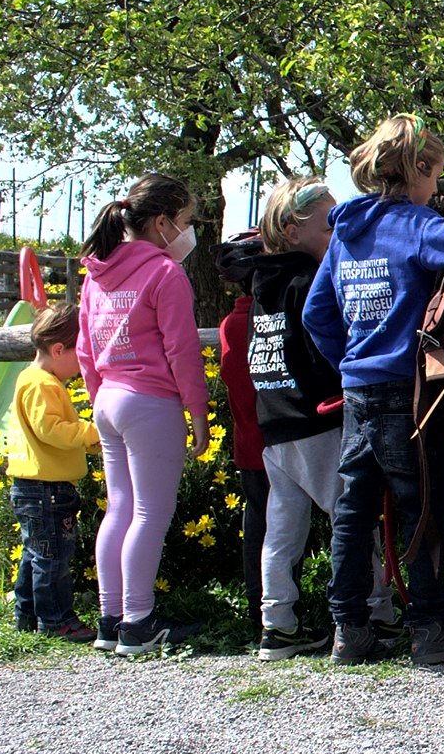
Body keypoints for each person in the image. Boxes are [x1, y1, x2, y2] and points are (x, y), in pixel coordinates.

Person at [301, 117, 444, 667]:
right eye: (436, 176)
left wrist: (351, 364)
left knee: (353, 511)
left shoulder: (346, 234)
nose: (437, 188)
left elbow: (316, 314)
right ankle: (429, 628)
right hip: (410, 393)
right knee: (421, 505)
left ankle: (348, 630)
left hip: (359, 391)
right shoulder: (419, 226)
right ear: (420, 169)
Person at [235, 178, 404, 661]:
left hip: (275, 424)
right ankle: (375, 612)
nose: (337, 229)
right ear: (292, 230)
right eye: (328, 222)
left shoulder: (261, 286)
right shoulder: (309, 282)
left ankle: (277, 623)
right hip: (316, 420)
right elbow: (320, 344)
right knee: (353, 518)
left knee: (282, 529)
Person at [78, 172, 213, 656]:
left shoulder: (97, 273)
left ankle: (110, 617)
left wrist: (99, 396)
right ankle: (138, 621)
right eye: (185, 222)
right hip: (149, 402)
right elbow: (181, 351)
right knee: (150, 512)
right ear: (161, 223)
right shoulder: (164, 273)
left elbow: (84, 349)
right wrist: (197, 411)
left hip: (108, 399)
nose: (188, 232)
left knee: (119, 508)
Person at [6, 301, 100, 642]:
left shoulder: (31, 379)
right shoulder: (42, 384)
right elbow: (52, 430)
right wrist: (93, 433)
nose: (81, 365)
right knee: (53, 558)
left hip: (36, 487)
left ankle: (28, 615)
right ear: (59, 349)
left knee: (37, 555)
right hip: (47, 489)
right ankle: (57, 620)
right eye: (80, 354)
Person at [215, 236, 270, 632]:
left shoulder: (230, 324)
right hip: (282, 438)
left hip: (247, 441)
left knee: (258, 527)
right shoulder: (267, 319)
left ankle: (258, 610)